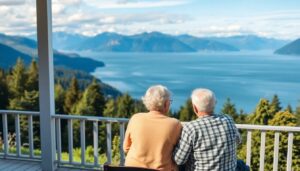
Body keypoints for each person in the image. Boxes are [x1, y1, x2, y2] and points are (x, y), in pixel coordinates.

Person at [173, 88, 241, 171]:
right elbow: (238, 141)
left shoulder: (191, 128)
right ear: (214, 104)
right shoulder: (228, 120)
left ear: (195, 108)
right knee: (241, 164)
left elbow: (179, 160)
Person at [123, 85, 182, 171]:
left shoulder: (135, 118)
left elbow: (126, 148)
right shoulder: (175, 124)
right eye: (170, 101)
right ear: (166, 104)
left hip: (132, 168)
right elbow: (179, 155)